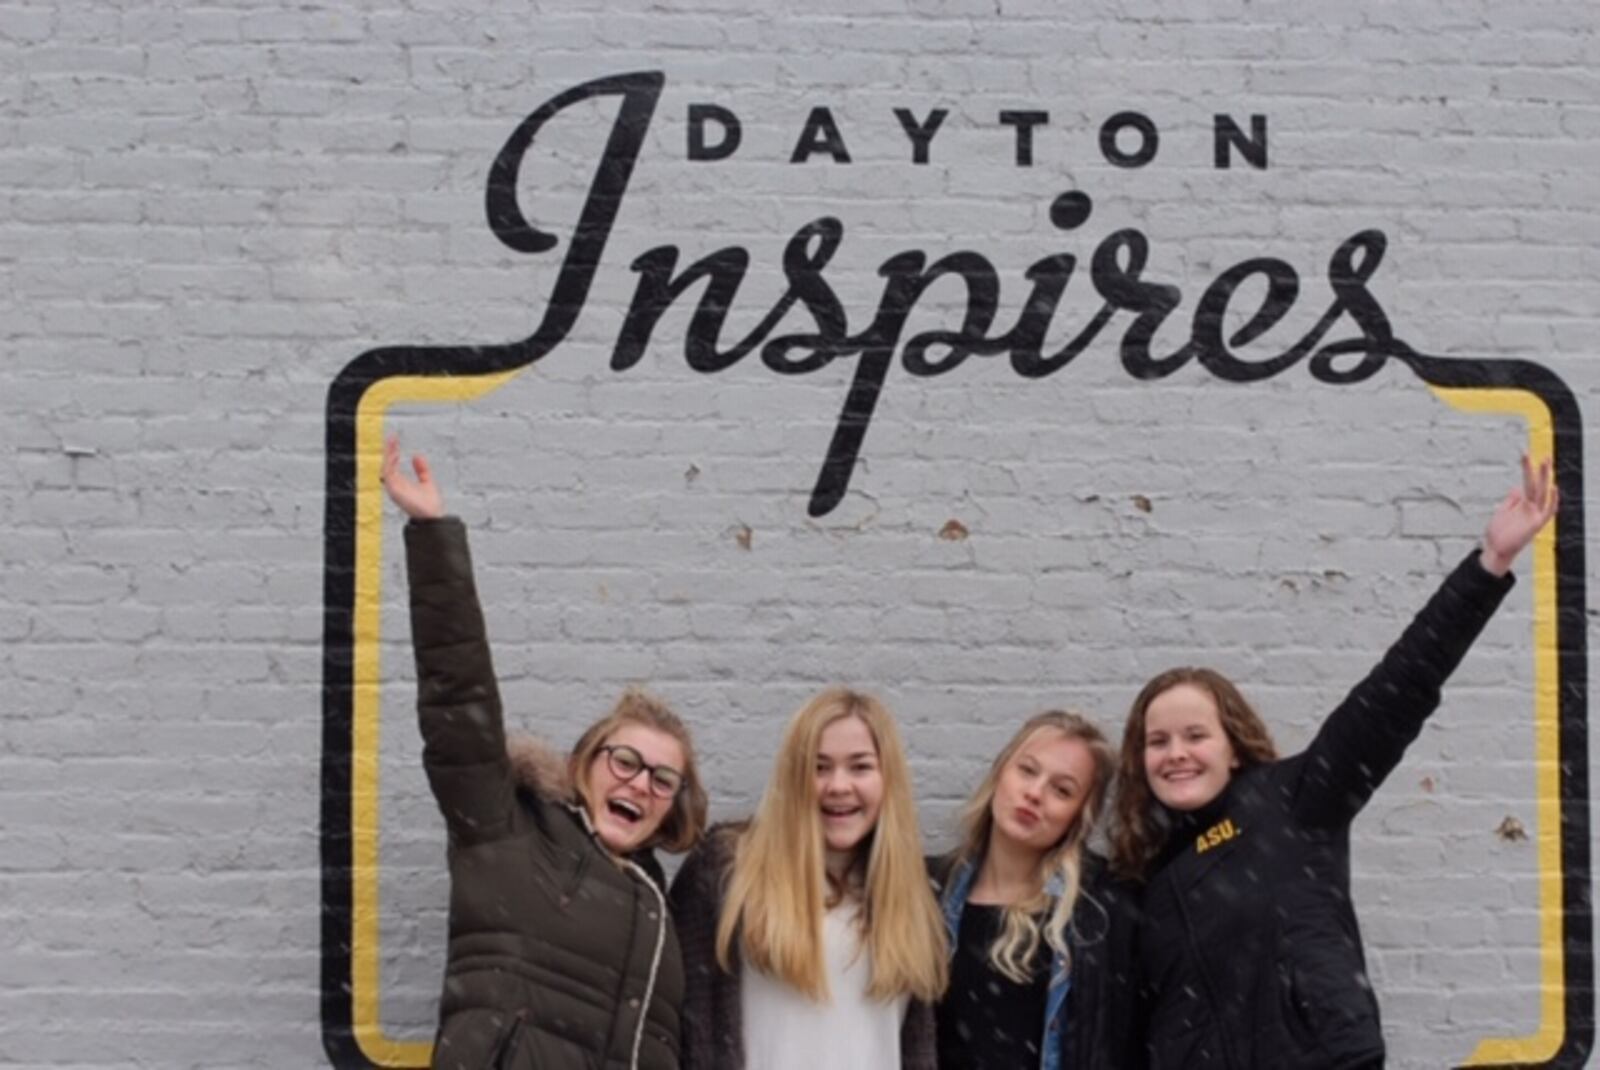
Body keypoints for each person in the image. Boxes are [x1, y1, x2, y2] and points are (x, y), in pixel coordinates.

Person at [1110, 456, 1559, 1070]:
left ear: (1233, 745)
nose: (1177, 753)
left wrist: (1489, 564)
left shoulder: (1293, 802)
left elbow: (1395, 693)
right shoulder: (1142, 874)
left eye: (1195, 735)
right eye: (1157, 742)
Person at [382, 435, 709, 1070]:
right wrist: (432, 538)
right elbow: (458, 697)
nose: (640, 785)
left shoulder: (657, 901)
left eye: (663, 779)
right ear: (585, 762)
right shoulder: (507, 830)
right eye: (626, 762)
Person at [669, 688, 949, 1070]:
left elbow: (916, 1050)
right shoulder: (726, 871)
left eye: (860, 766)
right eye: (819, 767)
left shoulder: (912, 895)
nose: (838, 785)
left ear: (888, 779)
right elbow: (684, 1023)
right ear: (793, 777)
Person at [930, 711, 1140, 1070]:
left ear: (1080, 816)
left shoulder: (1102, 913)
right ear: (1000, 773)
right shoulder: (928, 892)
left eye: (1062, 790)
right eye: (1027, 770)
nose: (1034, 793)